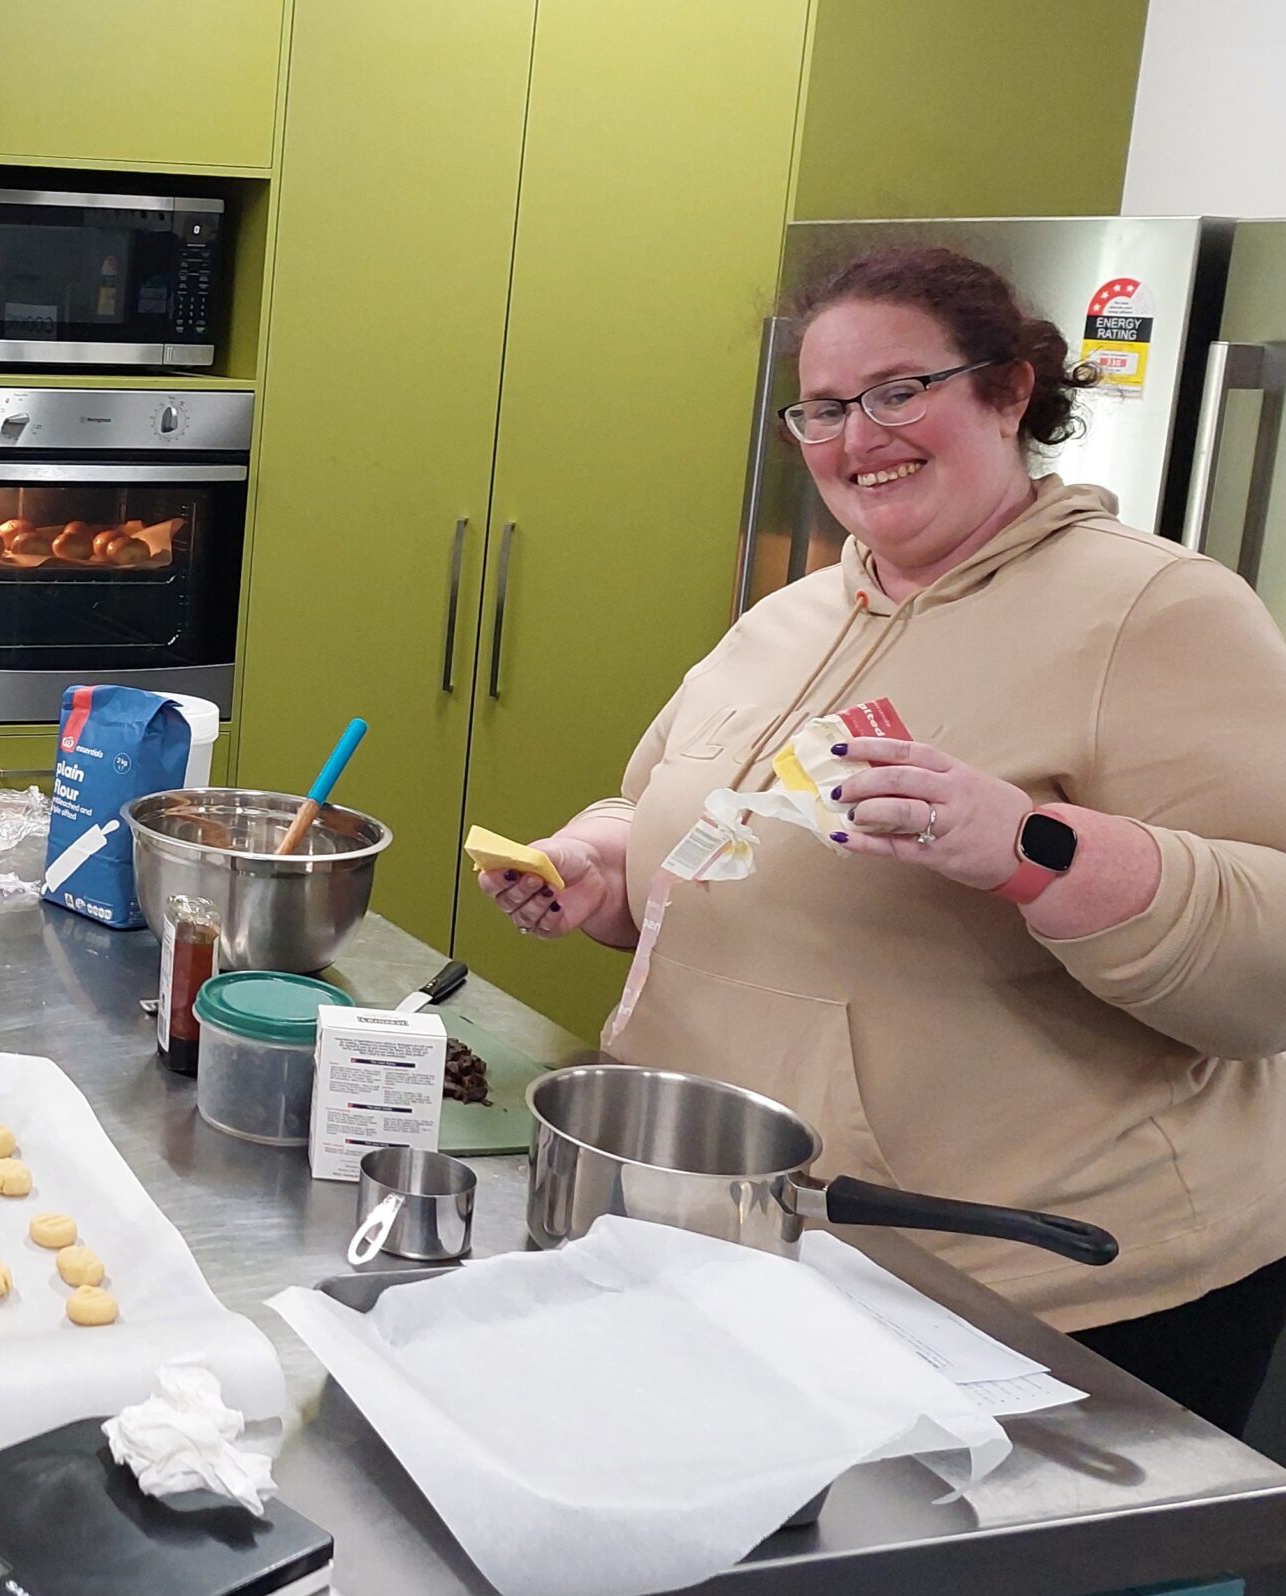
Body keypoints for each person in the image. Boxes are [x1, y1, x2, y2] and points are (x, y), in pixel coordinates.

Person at [478, 246, 1286, 1435]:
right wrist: (603, 867)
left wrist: (1028, 846)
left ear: (1010, 393)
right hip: (753, 1244)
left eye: (901, 390)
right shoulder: (794, 612)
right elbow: (681, 814)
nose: (859, 436)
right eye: (823, 408)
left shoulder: (1157, 612)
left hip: (1037, 1293)